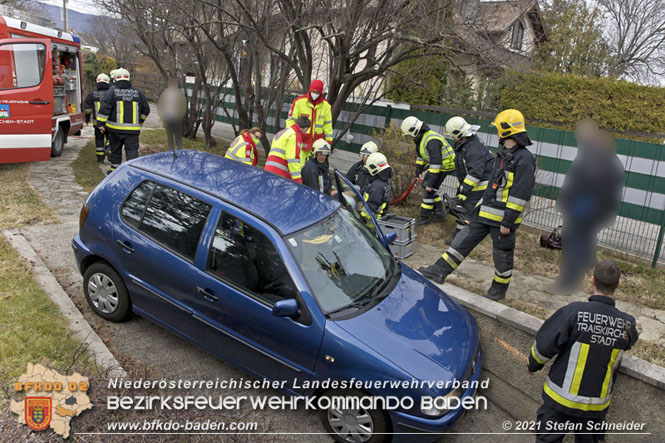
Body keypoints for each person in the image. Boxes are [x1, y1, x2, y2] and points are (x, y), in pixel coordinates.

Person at [419, 109, 536, 301]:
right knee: (463, 240)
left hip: (502, 220)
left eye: (499, 129)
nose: (497, 133)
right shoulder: (503, 154)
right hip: (485, 213)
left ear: (506, 130)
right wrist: (477, 205)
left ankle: (498, 290)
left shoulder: (524, 159)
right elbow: (492, 186)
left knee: (502, 256)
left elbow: (520, 194)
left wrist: (508, 222)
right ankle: (439, 270)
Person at [527, 260, 639, 443]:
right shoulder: (627, 323)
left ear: (592, 281)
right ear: (618, 285)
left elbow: (545, 344)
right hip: (594, 408)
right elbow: (629, 343)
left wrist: (533, 364)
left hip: (559, 401)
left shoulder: (573, 312)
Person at [546, 121, 624, 295]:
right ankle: (583, 267)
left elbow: (582, 183)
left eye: (578, 134)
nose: (576, 137)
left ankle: (568, 284)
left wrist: (568, 203)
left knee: (573, 246)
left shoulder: (593, 155)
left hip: (583, 210)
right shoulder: (606, 156)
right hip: (591, 211)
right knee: (580, 244)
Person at [444, 116, 494, 244]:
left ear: (458, 134)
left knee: (468, 211)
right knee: (462, 209)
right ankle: (459, 235)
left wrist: (464, 191)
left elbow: (475, 173)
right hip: (471, 185)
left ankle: (464, 240)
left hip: (479, 186)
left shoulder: (473, 148)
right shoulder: (466, 143)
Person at [400, 116, 455, 225]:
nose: (410, 137)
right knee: (429, 188)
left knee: (428, 188)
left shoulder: (431, 140)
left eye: (409, 135)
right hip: (439, 165)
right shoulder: (421, 139)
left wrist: (430, 183)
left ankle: (425, 216)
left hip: (445, 165)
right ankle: (439, 213)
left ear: (414, 131)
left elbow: (436, 163)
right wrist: (418, 171)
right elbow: (421, 156)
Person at [96, 68, 150, 174]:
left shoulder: (111, 92)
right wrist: (141, 121)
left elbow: (104, 108)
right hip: (132, 132)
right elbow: (146, 109)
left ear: (116, 79)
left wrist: (100, 123)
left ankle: (114, 173)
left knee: (115, 152)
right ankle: (132, 173)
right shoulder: (138, 93)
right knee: (132, 152)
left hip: (115, 131)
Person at [286, 80, 333, 164]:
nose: (315, 94)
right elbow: (291, 121)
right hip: (301, 141)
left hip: (317, 145)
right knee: (298, 165)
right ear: (310, 90)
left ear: (321, 93)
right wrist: (292, 136)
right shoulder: (299, 102)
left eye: (317, 92)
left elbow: (328, 126)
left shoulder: (326, 106)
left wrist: (328, 142)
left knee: (314, 169)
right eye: (313, 92)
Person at [264, 116, 311, 182]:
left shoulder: (284, 132)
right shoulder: (294, 135)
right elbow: (293, 160)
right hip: (279, 173)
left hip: (268, 168)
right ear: (306, 129)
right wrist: (298, 180)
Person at [83, 73, 111, 163]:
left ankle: (100, 158)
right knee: (111, 137)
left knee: (99, 139)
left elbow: (87, 108)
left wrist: (87, 118)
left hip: (97, 123)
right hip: (110, 123)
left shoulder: (92, 94)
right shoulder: (111, 93)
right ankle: (109, 149)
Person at [360, 152, 393, 224]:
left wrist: (361, 219)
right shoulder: (383, 182)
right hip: (378, 218)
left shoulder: (376, 187)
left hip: (371, 222)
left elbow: (371, 207)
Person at [157, 78, 187, 152]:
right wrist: (162, 116)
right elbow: (160, 105)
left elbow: (184, 107)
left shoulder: (180, 94)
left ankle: (179, 150)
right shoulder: (164, 93)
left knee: (178, 136)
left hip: (176, 118)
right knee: (169, 135)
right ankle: (171, 151)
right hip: (167, 117)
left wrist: (180, 116)